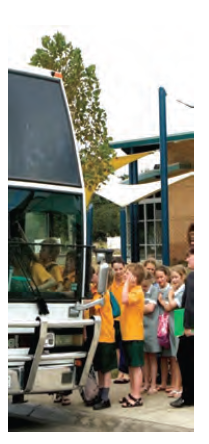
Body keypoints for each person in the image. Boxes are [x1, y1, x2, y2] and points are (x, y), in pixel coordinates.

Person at [88, 266, 117, 410]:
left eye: (98, 274)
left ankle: (105, 397)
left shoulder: (103, 294)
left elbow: (93, 307)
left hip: (105, 336)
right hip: (98, 336)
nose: (94, 276)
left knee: (105, 369)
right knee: (99, 367)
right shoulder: (97, 293)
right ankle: (100, 393)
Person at [170, 247, 194, 408]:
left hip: (191, 328)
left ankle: (188, 396)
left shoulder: (194, 277)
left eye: (190, 256)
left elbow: (191, 305)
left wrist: (187, 327)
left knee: (186, 360)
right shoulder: (192, 277)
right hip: (187, 325)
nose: (187, 260)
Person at [158, 264, 186, 398]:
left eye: (176, 277)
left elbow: (170, 307)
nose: (174, 280)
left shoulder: (182, 291)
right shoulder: (176, 290)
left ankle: (179, 386)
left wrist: (168, 297)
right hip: (173, 322)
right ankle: (175, 385)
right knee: (174, 356)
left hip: (179, 320)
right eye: (173, 277)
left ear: (183, 277)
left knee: (179, 355)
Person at [120, 263, 145, 407]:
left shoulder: (137, 291)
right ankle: (132, 392)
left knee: (136, 367)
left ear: (135, 278)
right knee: (130, 366)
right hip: (127, 334)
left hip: (134, 335)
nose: (125, 276)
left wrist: (126, 284)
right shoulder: (130, 290)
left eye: (128, 274)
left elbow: (124, 299)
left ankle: (136, 395)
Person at [110, 257, 129, 384]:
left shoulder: (128, 283)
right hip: (112, 318)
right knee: (116, 345)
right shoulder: (110, 283)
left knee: (124, 346)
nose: (118, 272)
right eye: (115, 269)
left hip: (125, 318)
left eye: (120, 269)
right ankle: (119, 372)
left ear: (124, 268)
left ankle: (125, 373)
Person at [142, 270, 160, 394]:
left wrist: (138, 307)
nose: (143, 288)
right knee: (144, 356)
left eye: (145, 286)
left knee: (152, 356)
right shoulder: (139, 290)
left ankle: (153, 383)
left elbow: (150, 308)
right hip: (141, 326)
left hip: (152, 327)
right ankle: (146, 382)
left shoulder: (154, 290)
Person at [155, 264, 172, 391]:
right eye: (157, 278)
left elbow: (169, 306)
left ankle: (173, 381)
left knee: (170, 355)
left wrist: (161, 301)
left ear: (166, 276)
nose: (159, 280)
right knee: (162, 357)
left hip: (168, 324)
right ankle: (164, 382)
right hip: (159, 326)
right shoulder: (155, 290)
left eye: (161, 277)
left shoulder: (169, 289)